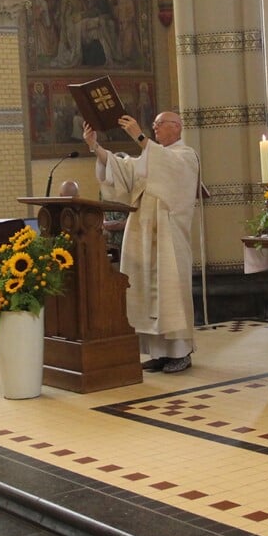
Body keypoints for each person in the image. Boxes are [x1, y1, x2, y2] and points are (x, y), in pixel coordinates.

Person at [85, 111, 199, 374]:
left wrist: (139, 135)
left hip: (169, 235)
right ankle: (159, 353)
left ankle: (181, 353)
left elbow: (165, 164)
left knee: (170, 293)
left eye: (161, 124)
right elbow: (121, 170)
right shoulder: (152, 156)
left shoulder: (185, 156)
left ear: (177, 128)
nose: (155, 128)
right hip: (143, 231)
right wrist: (95, 146)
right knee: (147, 294)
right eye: (154, 124)